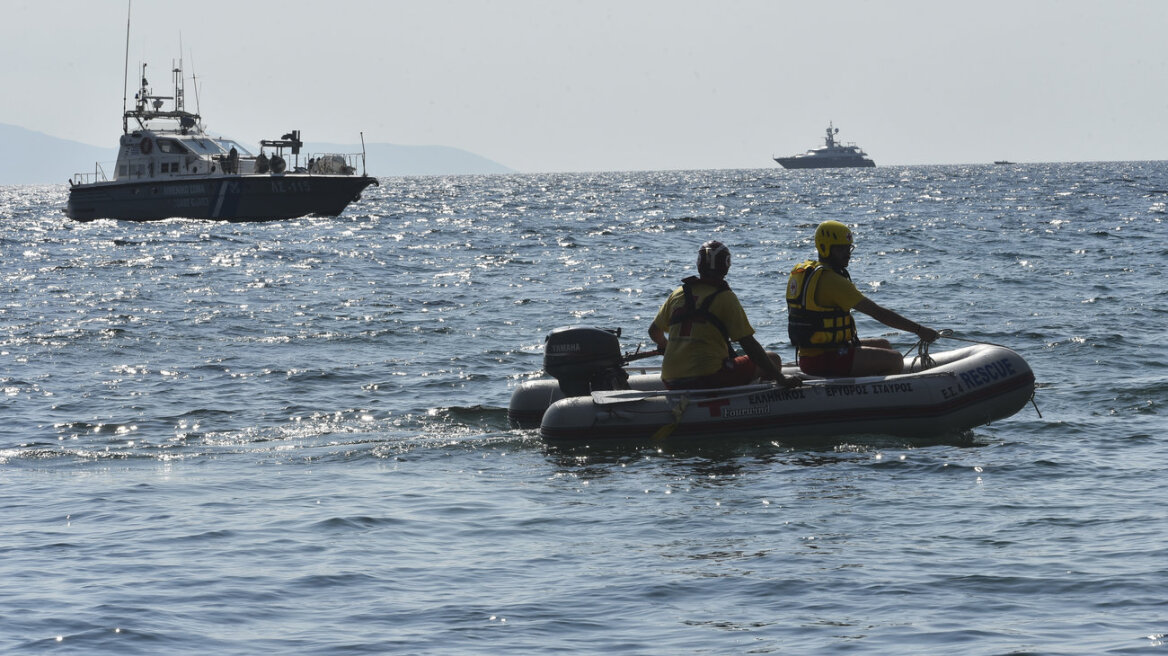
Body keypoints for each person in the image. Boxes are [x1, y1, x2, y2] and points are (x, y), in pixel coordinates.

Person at [786, 220, 940, 377]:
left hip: (812, 355)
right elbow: (878, 313)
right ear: (825, 248)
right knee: (895, 360)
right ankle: (868, 397)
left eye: (849, 247)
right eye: (841, 248)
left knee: (884, 344)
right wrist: (920, 330)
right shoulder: (832, 281)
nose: (848, 253)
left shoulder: (805, 274)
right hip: (825, 359)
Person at [649, 241, 800, 390]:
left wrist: (666, 346)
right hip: (708, 378)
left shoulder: (678, 294)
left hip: (670, 378)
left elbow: (653, 331)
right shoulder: (725, 297)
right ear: (726, 266)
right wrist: (781, 378)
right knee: (773, 359)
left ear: (699, 263)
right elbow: (749, 344)